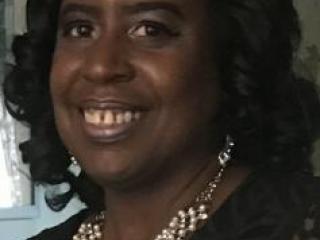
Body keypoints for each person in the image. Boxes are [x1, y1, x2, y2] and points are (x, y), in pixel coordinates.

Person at [3, 0, 320, 239]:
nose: (100, 66)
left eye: (150, 30)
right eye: (80, 29)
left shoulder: (302, 222)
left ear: (230, 59)